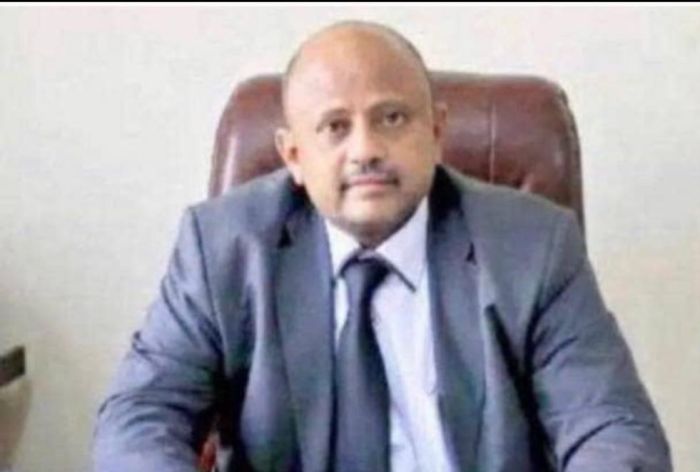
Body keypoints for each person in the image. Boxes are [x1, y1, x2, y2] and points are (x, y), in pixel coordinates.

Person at [92, 21, 671, 472]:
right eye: (335, 127)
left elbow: (612, 429)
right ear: (293, 156)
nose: (366, 149)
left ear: (436, 133)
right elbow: (139, 417)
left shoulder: (532, 247)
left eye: (392, 118)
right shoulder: (222, 248)